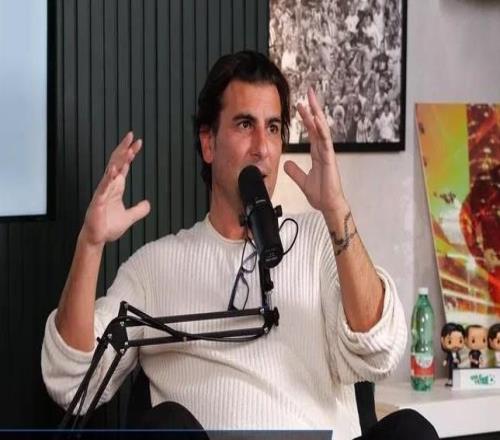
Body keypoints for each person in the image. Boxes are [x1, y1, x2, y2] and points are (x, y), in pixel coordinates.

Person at [42, 51, 437, 440]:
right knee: (166, 424)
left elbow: (379, 351)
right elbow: (72, 382)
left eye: (273, 128)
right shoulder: (153, 267)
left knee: (411, 431)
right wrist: (90, 244)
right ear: (209, 143)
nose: (262, 147)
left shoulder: (319, 239)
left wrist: (336, 210)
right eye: (245, 124)